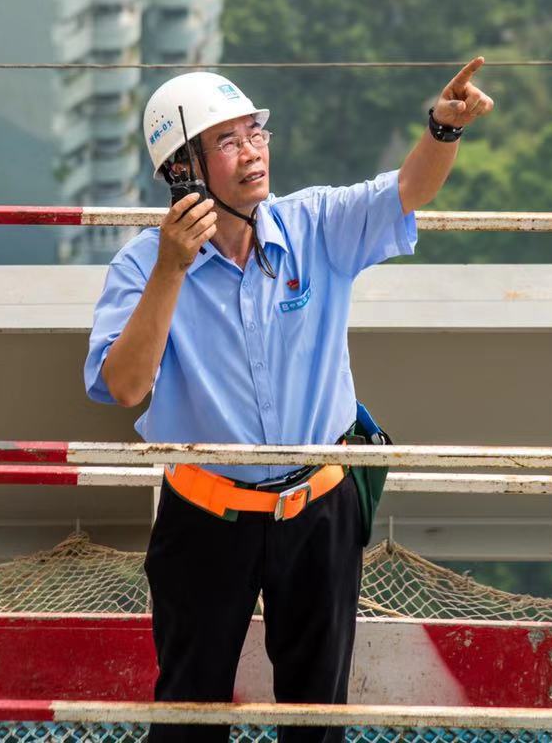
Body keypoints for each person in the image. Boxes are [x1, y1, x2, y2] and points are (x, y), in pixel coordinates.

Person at [84, 59, 494, 743]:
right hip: (205, 513)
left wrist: (443, 129)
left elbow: (405, 192)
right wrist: (170, 269)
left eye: (255, 133)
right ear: (182, 171)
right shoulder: (141, 266)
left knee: (315, 717)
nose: (253, 154)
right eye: (229, 142)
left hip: (318, 505)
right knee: (188, 714)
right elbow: (123, 386)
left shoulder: (314, 226)